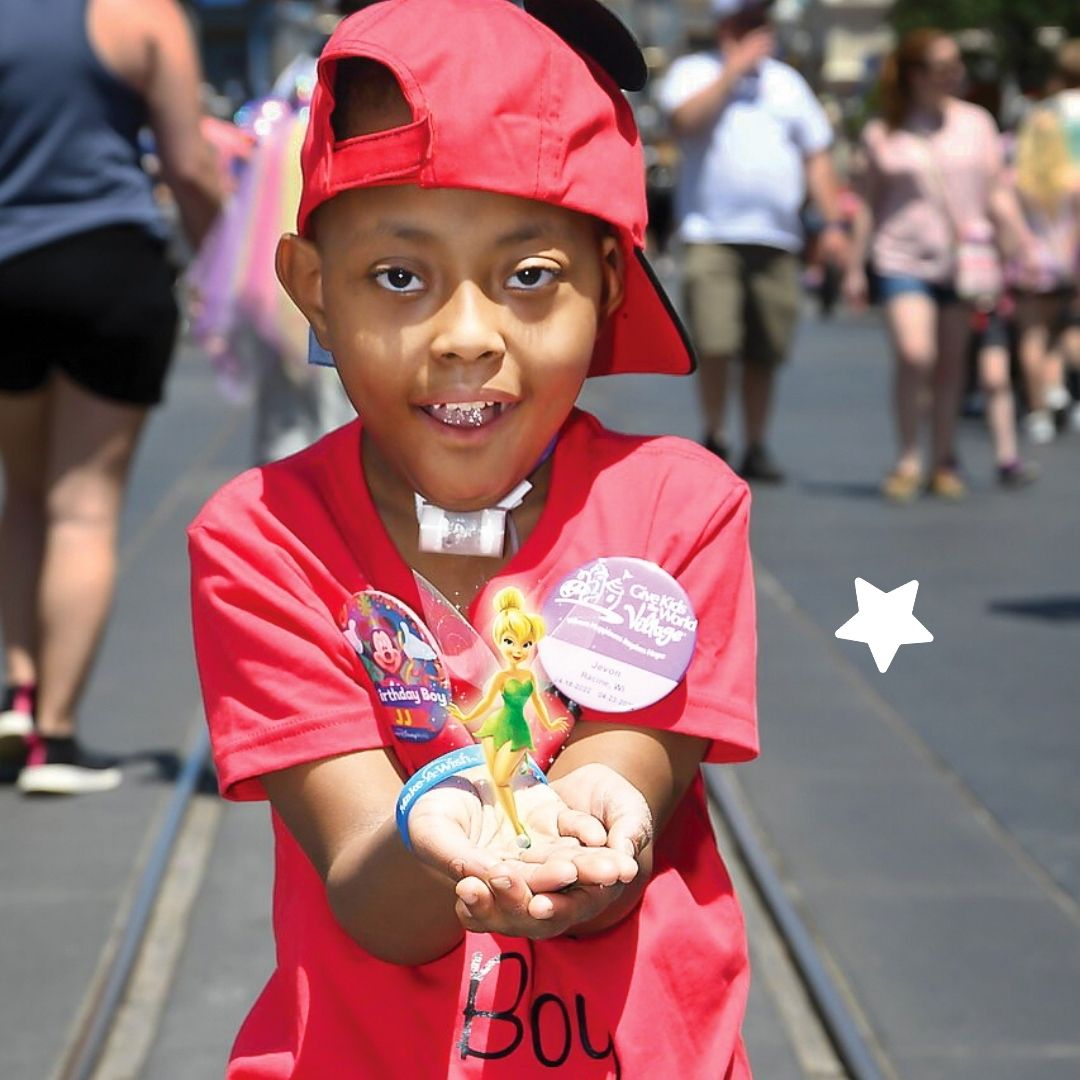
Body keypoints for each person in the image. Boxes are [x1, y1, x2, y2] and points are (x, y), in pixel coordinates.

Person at [188, 1, 759, 1075]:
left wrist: (599, 822)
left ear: (611, 280)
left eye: (529, 277)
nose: (464, 337)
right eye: (398, 278)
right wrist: (436, 838)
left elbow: (628, 765)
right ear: (313, 288)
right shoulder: (264, 540)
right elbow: (369, 886)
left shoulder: (683, 508)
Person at [0, 0, 222, 793]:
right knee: (83, 507)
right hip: (108, 269)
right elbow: (189, 164)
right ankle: (53, 740)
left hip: (6, 275)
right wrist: (230, 264)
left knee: (24, 496)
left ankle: (18, 698)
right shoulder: (140, 15)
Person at [658, 0, 848, 481]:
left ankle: (757, 442)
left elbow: (817, 156)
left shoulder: (787, 84)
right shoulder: (692, 72)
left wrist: (833, 224)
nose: (760, 32)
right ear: (725, 28)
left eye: (762, 22)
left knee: (765, 348)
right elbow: (683, 123)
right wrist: (732, 73)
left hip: (776, 238)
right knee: (716, 340)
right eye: (748, 23)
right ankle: (716, 433)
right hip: (711, 234)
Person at [844, 30, 1030, 502]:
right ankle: (909, 455)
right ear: (916, 74)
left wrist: (1019, 245)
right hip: (900, 256)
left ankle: (943, 457)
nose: (956, 74)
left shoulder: (977, 123)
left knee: (950, 365)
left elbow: (997, 192)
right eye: (945, 66)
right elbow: (865, 206)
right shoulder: (884, 131)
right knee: (916, 353)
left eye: (957, 65)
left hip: (965, 264)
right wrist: (852, 267)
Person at [1008, 106, 1080, 444]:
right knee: (1061, 332)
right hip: (1063, 263)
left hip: (1030, 265)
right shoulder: (1072, 178)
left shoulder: (1017, 181)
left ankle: (1039, 412)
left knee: (1032, 337)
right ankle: (1058, 388)